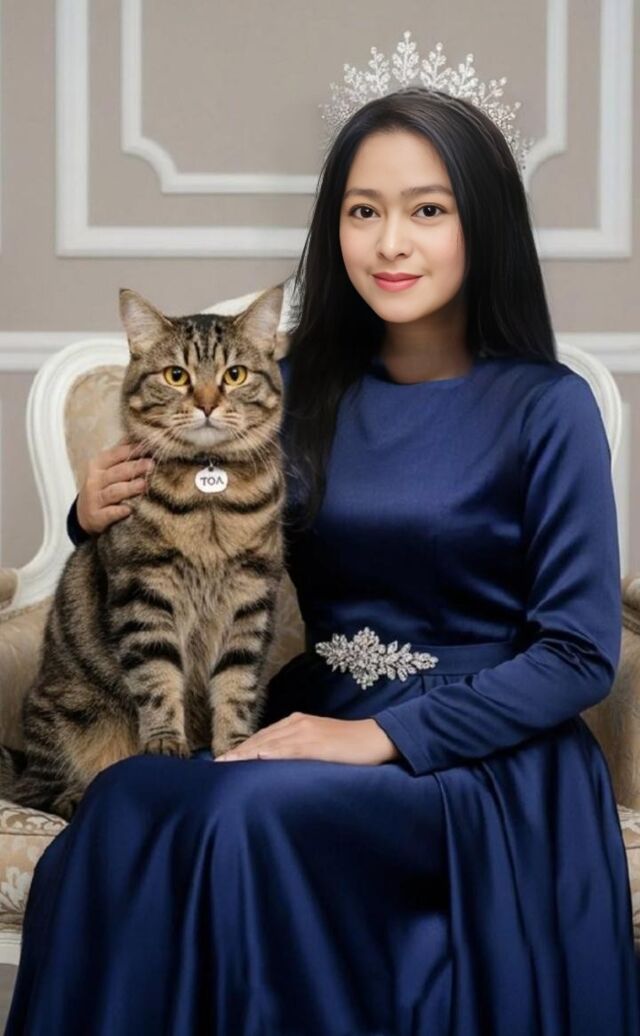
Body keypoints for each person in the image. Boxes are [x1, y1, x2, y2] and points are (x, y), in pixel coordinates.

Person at [5, 86, 639, 1035]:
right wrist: (90, 512)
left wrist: (381, 737)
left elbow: (581, 653)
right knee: (130, 797)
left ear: (485, 223)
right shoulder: (288, 387)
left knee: (239, 818)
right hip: (312, 711)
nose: (391, 243)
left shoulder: (549, 407)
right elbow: (204, 524)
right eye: (362, 211)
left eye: (428, 210)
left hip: (479, 761)